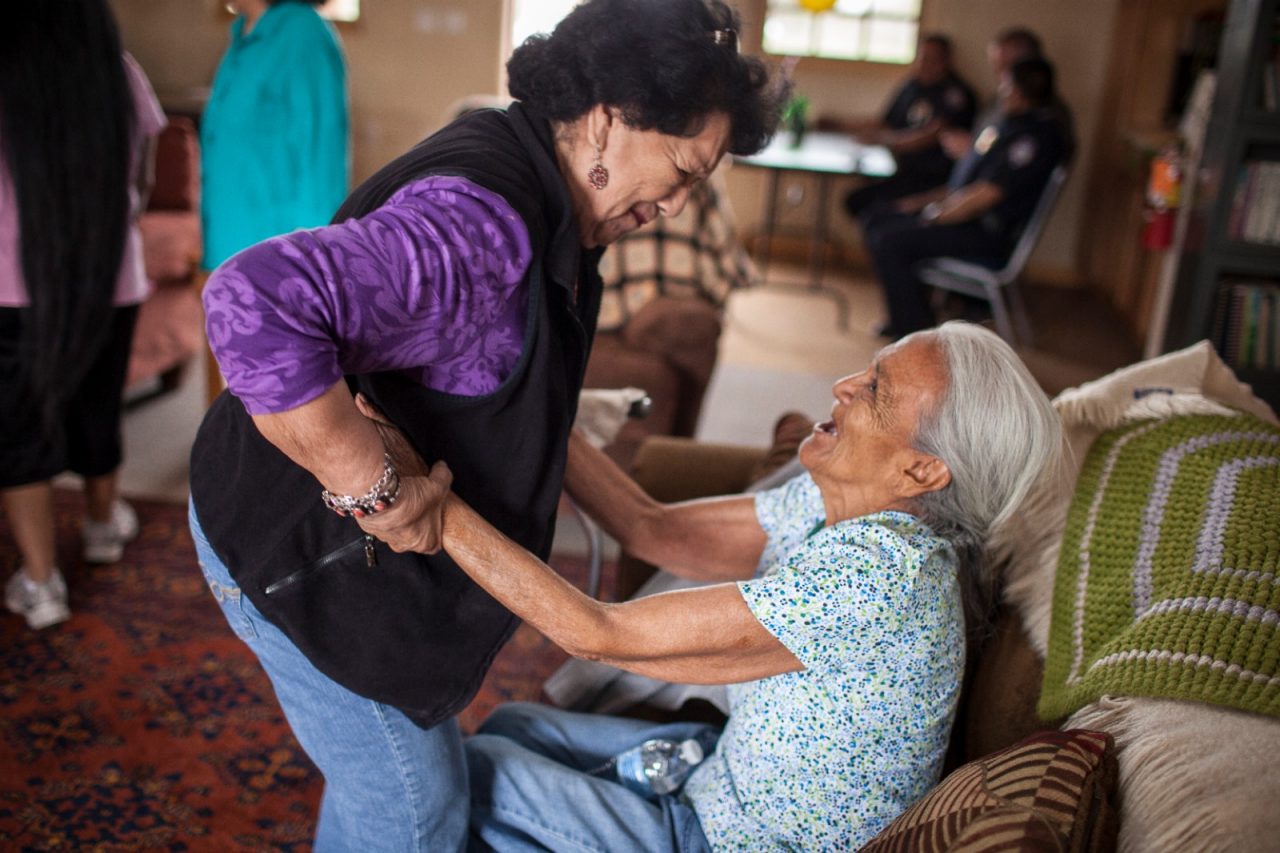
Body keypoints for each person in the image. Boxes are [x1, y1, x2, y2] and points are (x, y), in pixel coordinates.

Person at [186, 0, 784, 849]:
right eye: (684, 171)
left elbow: (481, 361)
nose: (681, 205)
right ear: (608, 119)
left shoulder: (554, 199)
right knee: (416, 805)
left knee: (385, 787)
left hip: (334, 554)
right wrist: (373, 481)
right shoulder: (485, 227)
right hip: (291, 549)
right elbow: (254, 302)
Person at [385, 321, 1062, 850]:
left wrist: (432, 508)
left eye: (875, 391)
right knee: (514, 723)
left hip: (726, 840)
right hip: (715, 776)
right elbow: (655, 530)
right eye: (868, 368)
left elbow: (600, 633)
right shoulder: (848, 505)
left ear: (922, 472)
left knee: (462, 777)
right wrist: (540, 410)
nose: (843, 384)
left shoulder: (881, 577)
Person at [1, 0, 166, 630]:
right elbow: (141, 184)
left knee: (20, 430)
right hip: (108, 279)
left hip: (11, 285)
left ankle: (41, 585)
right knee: (99, 405)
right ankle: (101, 527)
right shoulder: (117, 70)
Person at [861, 57, 1068, 338]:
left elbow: (986, 194)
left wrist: (933, 215)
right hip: (964, 220)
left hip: (986, 234)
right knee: (878, 218)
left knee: (890, 240)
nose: (1002, 91)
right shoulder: (1010, 125)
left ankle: (914, 334)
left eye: (1006, 85)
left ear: (1019, 91)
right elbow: (965, 185)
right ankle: (910, 320)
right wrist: (917, 205)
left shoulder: (1034, 138)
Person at [200, 0, 349, 271]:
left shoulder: (303, 33)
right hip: (231, 237)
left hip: (274, 250)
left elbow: (320, 158)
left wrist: (312, 262)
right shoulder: (244, 32)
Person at [838, 34, 977, 217]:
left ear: (945, 61)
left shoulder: (955, 94)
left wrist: (884, 141)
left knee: (868, 208)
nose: (924, 63)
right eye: (922, 57)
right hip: (898, 169)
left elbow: (933, 133)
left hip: (929, 179)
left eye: (931, 59)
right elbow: (884, 122)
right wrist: (839, 125)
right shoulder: (911, 86)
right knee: (855, 198)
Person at [939, 27, 1075, 166]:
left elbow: (1014, 169)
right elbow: (987, 137)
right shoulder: (1002, 99)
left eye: (1006, 68)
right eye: (997, 69)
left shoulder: (1046, 119)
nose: (1002, 79)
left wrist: (973, 152)